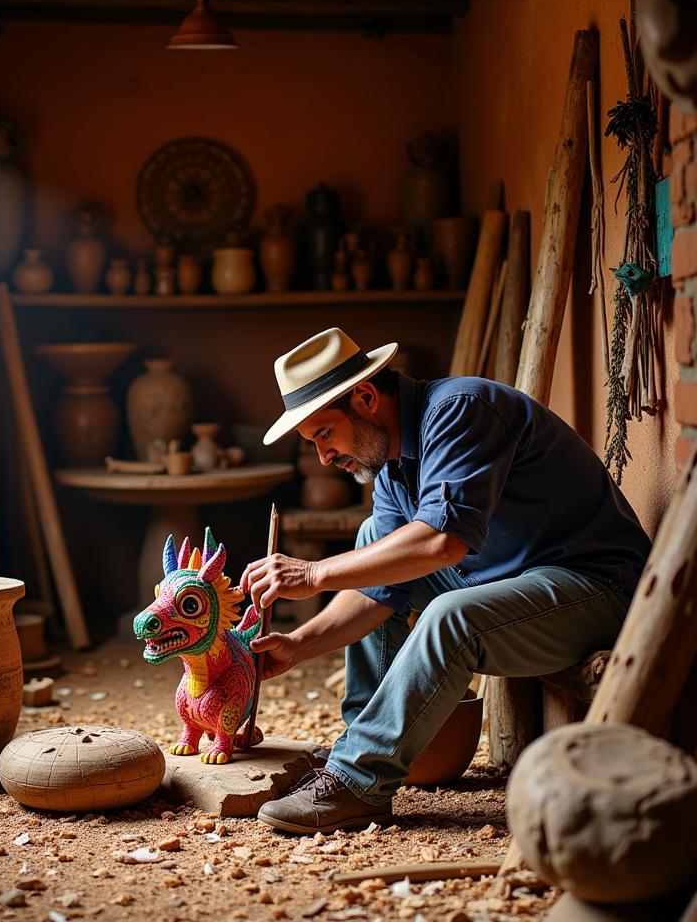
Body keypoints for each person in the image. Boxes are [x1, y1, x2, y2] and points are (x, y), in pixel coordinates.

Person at [240, 327, 650, 834]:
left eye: (325, 434)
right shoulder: (390, 468)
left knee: (449, 616)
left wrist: (314, 572)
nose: (324, 458)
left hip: (594, 588)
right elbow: (381, 590)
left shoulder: (461, 410)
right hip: (512, 586)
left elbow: (442, 544)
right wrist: (299, 645)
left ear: (366, 397)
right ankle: (361, 742)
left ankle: (357, 781)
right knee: (376, 538)